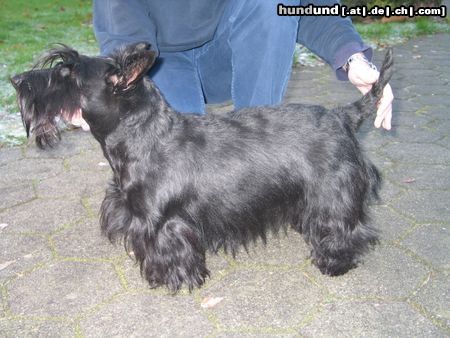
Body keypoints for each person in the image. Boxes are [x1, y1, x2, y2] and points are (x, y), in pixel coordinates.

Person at [70, 0, 393, 130]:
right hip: (161, 63)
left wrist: (353, 58)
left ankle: (259, 144)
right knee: (179, 161)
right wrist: (95, 95)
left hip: (230, 54)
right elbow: (123, 38)